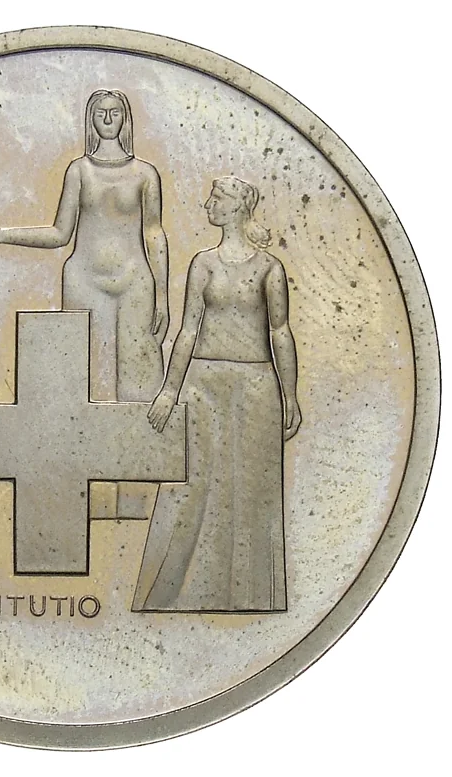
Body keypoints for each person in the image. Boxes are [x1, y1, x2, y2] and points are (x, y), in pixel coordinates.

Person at [0, 89, 169, 519]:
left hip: (135, 280)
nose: (108, 119)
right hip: (84, 279)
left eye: (115, 112)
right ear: (91, 120)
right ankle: (87, 499)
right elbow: (59, 234)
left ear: (126, 119)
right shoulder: (79, 170)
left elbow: (154, 233)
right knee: (84, 383)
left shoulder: (145, 174)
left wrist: (164, 294)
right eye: (100, 113)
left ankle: (136, 499)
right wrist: (3, 235)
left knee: (138, 384)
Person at [134, 176, 301, 612]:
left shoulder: (269, 268)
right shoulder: (203, 264)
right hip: (203, 386)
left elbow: (280, 332)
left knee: (252, 490)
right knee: (192, 487)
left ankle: (249, 597)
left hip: (256, 387)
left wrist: (290, 395)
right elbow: (188, 331)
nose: (208, 204)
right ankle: (176, 596)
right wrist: (169, 390)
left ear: (238, 207)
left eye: (217, 198)